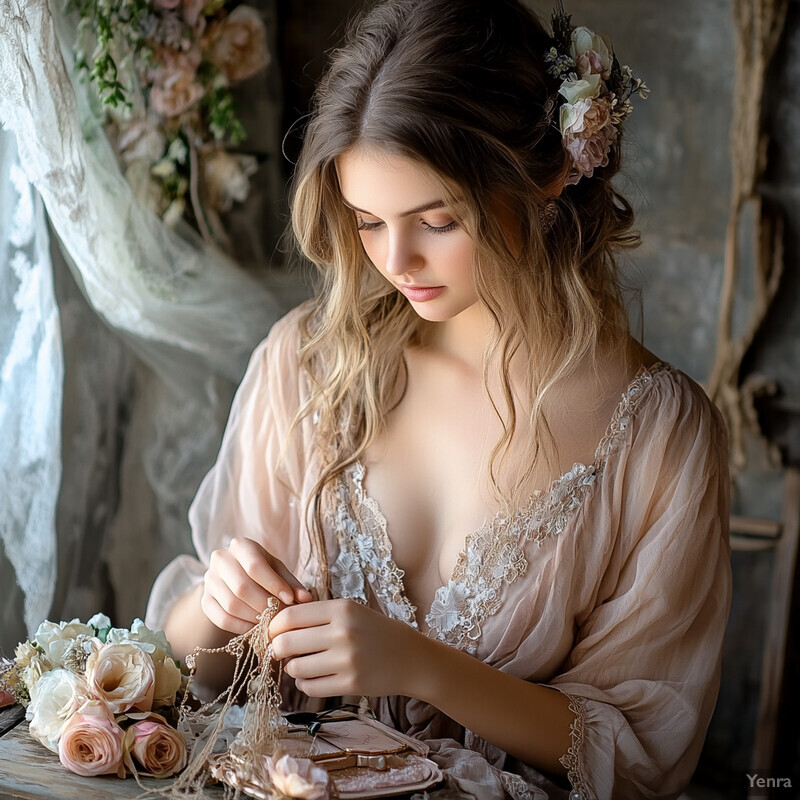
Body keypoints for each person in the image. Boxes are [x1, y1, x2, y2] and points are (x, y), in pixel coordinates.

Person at [145, 1, 732, 797]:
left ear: (552, 172)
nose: (397, 260)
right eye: (367, 221)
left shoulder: (661, 435)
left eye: (437, 219)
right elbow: (192, 675)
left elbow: (638, 755)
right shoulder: (311, 364)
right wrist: (217, 606)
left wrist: (424, 668)